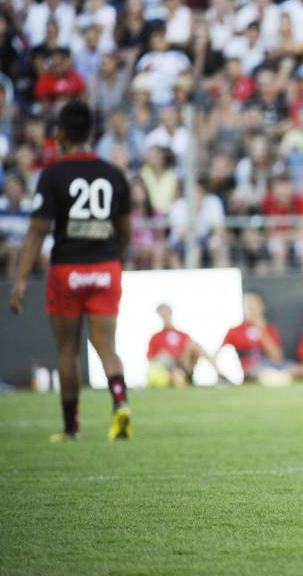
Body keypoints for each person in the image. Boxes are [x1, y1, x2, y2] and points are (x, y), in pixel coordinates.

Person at [8, 100, 132, 442]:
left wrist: (19, 280)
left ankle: (72, 427)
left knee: (67, 351)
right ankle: (120, 403)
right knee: (106, 345)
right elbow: (126, 233)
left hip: (67, 270)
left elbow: (37, 231)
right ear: (90, 133)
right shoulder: (113, 174)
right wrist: (112, 261)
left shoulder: (53, 174)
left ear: (60, 134)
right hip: (105, 268)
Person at [218, 291, 290, 384]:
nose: (250, 307)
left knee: (302, 370)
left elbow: (277, 358)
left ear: (262, 307)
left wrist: (262, 331)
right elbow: (221, 355)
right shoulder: (234, 331)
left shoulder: (269, 329)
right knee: (258, 372)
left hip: (272, 365)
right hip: (250, 370)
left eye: (254, 304)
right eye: (247, 304)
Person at [147, 303, 215, 387]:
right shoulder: (156, 337)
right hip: (169, 368)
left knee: (194, 344)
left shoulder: (183, 335)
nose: (166, 317)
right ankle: (182, 380)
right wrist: (165, 355)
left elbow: (191, 350)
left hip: (185, 363)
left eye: (167, 313)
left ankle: (219, 373)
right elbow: (151, 360)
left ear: (171, 313)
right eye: (163, 314)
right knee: (175, 372)